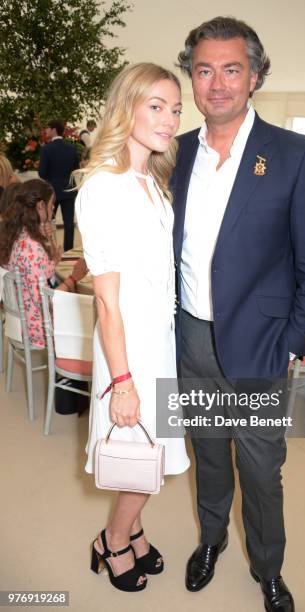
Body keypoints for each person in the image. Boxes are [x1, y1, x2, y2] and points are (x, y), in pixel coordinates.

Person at [173, 16, 305, 612]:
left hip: (262, 345)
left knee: (262, 468)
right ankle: (211, 540)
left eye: (232, 69)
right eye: (204, 70)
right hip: (190, 338)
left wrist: (293, 342)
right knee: (208, 452)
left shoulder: (294, 156)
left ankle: (268, 568)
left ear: (256, 76)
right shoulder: (176, 152)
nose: (217, 84)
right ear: (191, 78)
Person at [74, 63, 190, 593]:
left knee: (155, 448)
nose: (169, 119)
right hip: (130, 344)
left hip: (158, 337)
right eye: (156, 106)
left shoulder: (151, 179)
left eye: (175, 108)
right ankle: (113, 540)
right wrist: (122, 382)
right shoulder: (105, 186)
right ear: (128, 107)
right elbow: (105, 295)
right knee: (148, 448)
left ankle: (134, 530)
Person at [0, 179, 87, 348]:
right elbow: (47, 302)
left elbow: (43, 272)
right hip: (38, 329)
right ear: (40, 206)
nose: (53, 208)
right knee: (89, 317)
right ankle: (72, 368)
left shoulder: (19, 235)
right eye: (51, 204)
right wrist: (74, 278)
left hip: (22, 319)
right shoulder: (32, 249)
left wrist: (49, 242)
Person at [39, 120, 80, 251]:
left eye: (47, 128)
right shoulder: (72, 148)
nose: (46, 131)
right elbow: (75, 169)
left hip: (52, 191)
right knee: (69, 223)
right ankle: (69, 251)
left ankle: (49, 249)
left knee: (47, 222)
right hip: (69, 189)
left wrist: (50, 180)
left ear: (54, 130)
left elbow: (42, 172)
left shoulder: (47, 149)